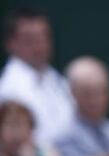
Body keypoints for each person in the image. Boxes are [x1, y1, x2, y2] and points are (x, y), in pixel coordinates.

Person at [0, 7, 74, 147]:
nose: (39, 46)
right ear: (11, 44)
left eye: (43, 38)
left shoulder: (59, 81)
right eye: (30, 40)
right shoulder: (6, 89)